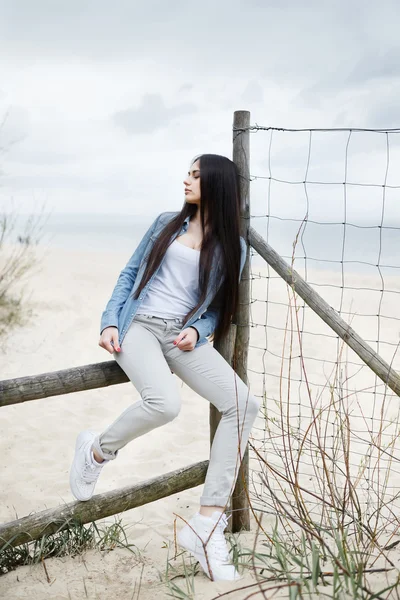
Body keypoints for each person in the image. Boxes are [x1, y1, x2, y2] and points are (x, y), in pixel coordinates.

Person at [69, 153, 261, 582]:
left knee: (243, 404)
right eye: (188, 173)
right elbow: (130, 272)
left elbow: (216, 310)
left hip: (180, 336)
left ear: (218, 185)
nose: (186, 180)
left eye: (195, 175)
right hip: (139, 325)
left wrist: (198, 329)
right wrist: (110, 320)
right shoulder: (165, 224)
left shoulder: (235, 248)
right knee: (164, 403)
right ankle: (97, 450)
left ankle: (208, 525)